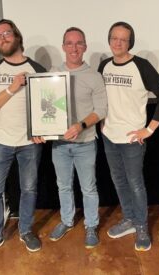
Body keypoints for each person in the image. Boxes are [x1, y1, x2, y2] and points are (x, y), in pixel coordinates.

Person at [0, 19, 46, 261]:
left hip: (29, 145)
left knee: (29, 189)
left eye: (6, 33)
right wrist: (13, 88)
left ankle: (25, 231)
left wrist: (43, 128)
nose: (2, 38)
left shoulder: (38, 70)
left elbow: (46, 108)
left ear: (16, 35)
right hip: (1, 141)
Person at [98, 22, 159, 251]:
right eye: (114, 38)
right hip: (109, 136)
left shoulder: (141, 66)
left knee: (135, 184)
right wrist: (102, 123)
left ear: (130, 42)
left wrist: (148, 129)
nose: (118, 42)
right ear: (109, 39)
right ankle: (129, 219)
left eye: (123, 39)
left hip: (132, 140)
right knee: (119, 181)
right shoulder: (104, 66)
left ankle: (141, 226)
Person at [34, 27, 107, 248]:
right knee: (63, 186)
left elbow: (101, 110)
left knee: (88, 188)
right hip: (60, 144)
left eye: (79, 43)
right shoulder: (52, 74)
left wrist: (81, 125)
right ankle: (66, 221)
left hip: (85, 143)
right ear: (63, 46)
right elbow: (42, 106)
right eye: (70, 43)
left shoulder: (94, 76)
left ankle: (91, 226)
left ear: (84, 46)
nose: (74, 48)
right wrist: (39, 127)